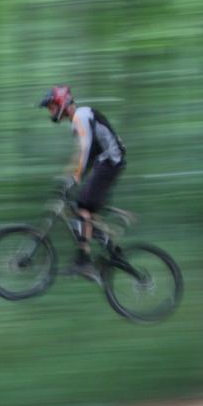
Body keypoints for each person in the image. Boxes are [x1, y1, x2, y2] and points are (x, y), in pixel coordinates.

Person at [38, 84, 126, 282]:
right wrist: (66, 176)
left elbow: (85, 151)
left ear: (61, 103)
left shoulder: (81, 116)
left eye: (51, 107)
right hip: (107, 163)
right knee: (85, 214)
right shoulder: (77, 122)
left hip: (111, 161)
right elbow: (79, 155)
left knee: (82, 208)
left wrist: (74, 178)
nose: (50, 111)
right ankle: (111, 249)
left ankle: (84, 261)